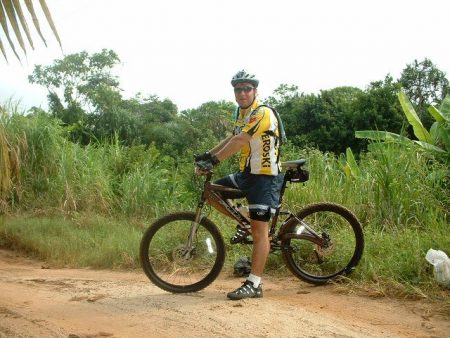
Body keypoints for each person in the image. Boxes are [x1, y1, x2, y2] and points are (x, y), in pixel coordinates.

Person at [195, 70, 284, 300]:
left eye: (247, 88)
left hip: (265, 178)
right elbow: (232, 137)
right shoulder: (243, 113)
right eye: (238, 89)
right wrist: (207, 154)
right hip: (247, 175)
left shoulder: (262, 113)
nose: (242, 92)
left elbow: (241, 140)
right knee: (213, 192)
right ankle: (245, 219)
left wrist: (214, 160)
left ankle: (254, 284)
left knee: (260, 233)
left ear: (255, 91)